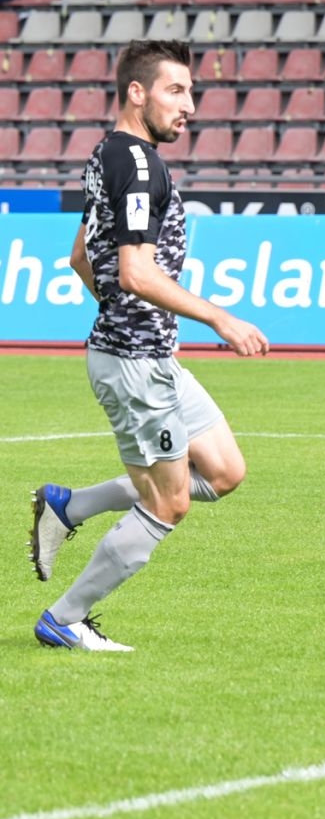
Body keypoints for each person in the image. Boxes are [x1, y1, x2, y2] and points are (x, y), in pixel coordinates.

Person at [28, 40, 270, 652]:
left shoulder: (107, 154)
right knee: (170, 503)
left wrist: (120, 311)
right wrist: (219, 318)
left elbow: (81, 257)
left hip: (149, 355)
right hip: (135, 365)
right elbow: (136, 272)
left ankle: (69, 506)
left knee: (224, 471)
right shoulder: (138, 164)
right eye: (176, 90)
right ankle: (65, 618)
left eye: (191, 92)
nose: (189, 106)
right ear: (137, 92)